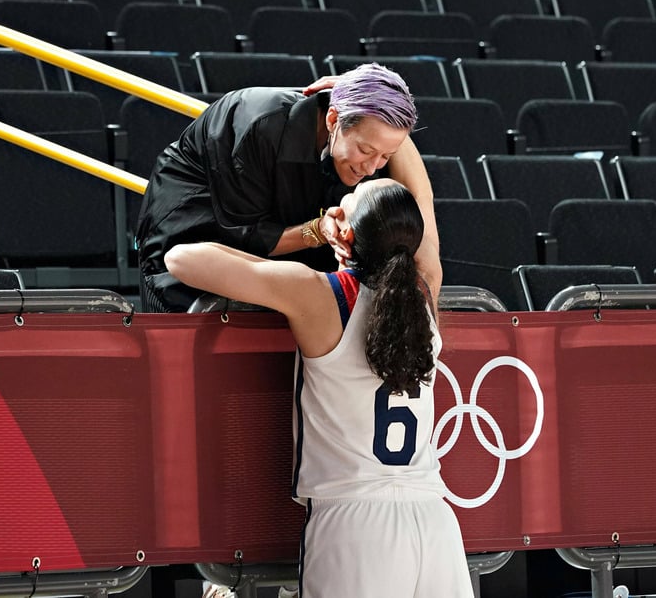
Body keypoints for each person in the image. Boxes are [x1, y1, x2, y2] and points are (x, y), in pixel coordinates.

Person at [165, 179, 474, 598]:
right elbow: (424, 199)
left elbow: (181, 258)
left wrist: (312, 233)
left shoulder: (318, 294)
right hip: (435, 523)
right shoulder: (424, 293)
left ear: (345, 232)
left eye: (343, 205)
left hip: (355, 528)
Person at [136, 63, 442, 313]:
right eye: (365, 150)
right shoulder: (260, 122)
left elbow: (420, 203)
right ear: (334, 119)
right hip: (192, 240)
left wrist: (376, 102)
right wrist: (318, 231)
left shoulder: (365, 137)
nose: (373, 167)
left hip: (280, 256)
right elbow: (247, 236)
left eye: (386, 155)